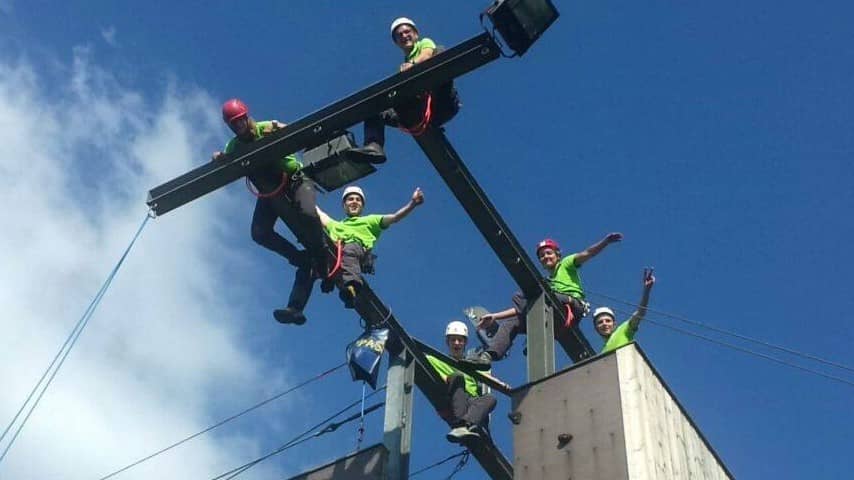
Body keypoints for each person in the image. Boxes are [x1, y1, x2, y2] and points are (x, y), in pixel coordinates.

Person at [212, 99, 330, 326]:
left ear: (247, 117)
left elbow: (293, 132)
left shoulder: (265, 127)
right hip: (269, 189)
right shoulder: (234, 146)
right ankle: (300, 259)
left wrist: (279, 129)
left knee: (307, 212)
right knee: (259, 233)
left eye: (241, 120)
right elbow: (225, 160)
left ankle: (321, 253)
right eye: (234, 124)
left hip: (293, 179)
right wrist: (219, 158)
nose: (239, 126)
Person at [475, 233, 624, 362]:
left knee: (532, 292)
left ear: (557, 255)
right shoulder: (548, 282)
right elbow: (523, 308)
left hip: (571, 305)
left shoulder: (566, 264)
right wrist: (495, 316)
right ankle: (489, 355)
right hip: (552, 312)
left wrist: (605, 242)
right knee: (512, 321)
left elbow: (587, 253)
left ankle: (534, 339)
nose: (545, 257)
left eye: (549, 253)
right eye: (542, 256)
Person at [348, 17, 461, 164]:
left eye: (407, 32)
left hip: (441, 103)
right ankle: (374, 146)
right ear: (396, 42)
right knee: (375, 107)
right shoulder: (405, 65)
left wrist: (412, 64)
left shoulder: (424, 44)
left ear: (416, 34)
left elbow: (427, 54)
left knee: (439, 52)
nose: (404, 36)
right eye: (399, 35)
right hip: (419, 111)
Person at [316, 185, 423, 308]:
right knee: (310, 260)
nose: (354, 202)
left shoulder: (370, 220)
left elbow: (394, 218)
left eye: (358, 200)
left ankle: (352, 287)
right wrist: (303, 192)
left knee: (350, 249)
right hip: (336, 256)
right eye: (350, 199)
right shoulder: (335, 225)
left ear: (362, 206)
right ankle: (299, 302)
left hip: (355, 251)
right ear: (344, 205)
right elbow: (319, 214)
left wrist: (413, 204)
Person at [425, 321, 497, 444]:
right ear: (448, 342)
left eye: (460, 340)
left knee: (491, 398)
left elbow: (486, 378)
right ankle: (460, 426)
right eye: (453, 340)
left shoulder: (470, 367)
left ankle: (467, 425)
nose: (456, 343)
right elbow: (421, 364)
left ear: (465, 343)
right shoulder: (435, 360)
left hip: (470, 402)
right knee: (457, 377)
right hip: (452, 398)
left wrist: (502, 386)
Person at [595, 268, 656, 353]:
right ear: (596, 328)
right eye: (600, 322)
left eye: (608, 321)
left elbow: (640, 313)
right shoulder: (602, 353)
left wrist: (646, 290)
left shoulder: (623, 330)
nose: (604, 324)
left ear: (614, 324)